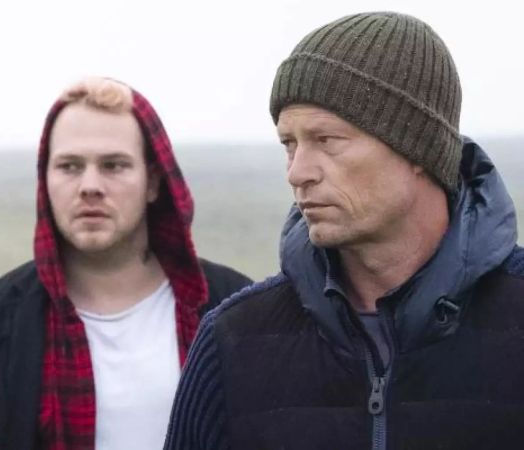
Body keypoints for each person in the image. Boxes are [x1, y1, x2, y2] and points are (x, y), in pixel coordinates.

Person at [165, 11, 524, 450]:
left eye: (326, 140)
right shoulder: (232, 340)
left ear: (418, 148)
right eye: (289, 144)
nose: (298, 173)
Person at [0, 77, 251, 450]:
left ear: (154, 182)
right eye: (69, 166)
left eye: (113, 165)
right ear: (45, 180)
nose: (90, 185)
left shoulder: (237, 313)